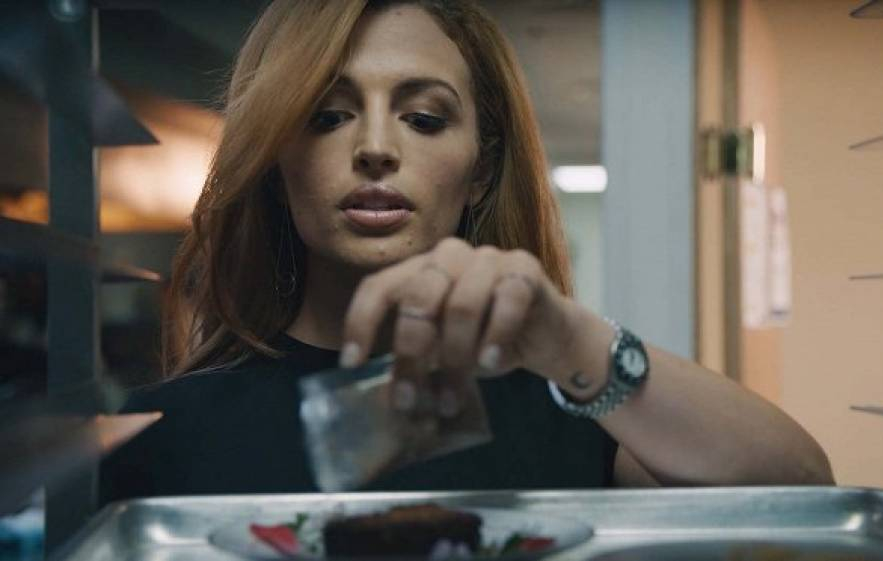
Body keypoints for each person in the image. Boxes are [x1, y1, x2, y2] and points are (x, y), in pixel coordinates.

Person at [100, 0, 832, 505]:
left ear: (480, 168)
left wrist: (575, 340)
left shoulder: (571, 411)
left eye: (423, 118)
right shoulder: (165, 433)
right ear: (274, 161)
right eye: (327, 116)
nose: (376, 147)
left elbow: (801, 487)